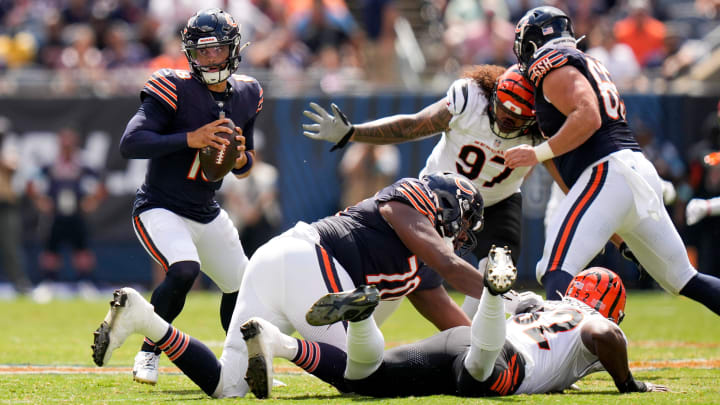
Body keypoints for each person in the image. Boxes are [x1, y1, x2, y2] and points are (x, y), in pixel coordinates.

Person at [92, 171, 489, 398]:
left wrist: (498, 345)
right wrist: (498, 292)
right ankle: (280, 344)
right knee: (358, 377)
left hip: (275, 260)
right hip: (312, 257)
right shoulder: (411, 200)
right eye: (466, 221)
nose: (464, 233)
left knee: (227, 386)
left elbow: (457, 330)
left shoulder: (423, 265)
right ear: (447, 203)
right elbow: (451, 264)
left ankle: (145, 319)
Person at [504, 6, 720, 314]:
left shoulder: (550, 65)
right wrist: (619, 238)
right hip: (634, 172)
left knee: (555, 267)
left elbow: (588, 116)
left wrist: (536, 153)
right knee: (685, 279)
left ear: (532, 43)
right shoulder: (586, 62)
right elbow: (569, 176)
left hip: (607, 171)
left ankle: (553, 350)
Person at [303, 63, 540, 316]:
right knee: (406, 269)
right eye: (503, 111)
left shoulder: (543, 126)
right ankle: (363, 310)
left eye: (516, 120)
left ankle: (470, 342)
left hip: (498, 202)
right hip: (441, 197)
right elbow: (414, 125)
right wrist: (353, 133)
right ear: (493, 95)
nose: (506, 123)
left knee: (497, 275)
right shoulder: (470, 98)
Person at [242, 265, 667, 398]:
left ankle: (279, 341)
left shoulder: (545, 303)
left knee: (363, 382)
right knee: (480, 380)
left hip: (463, 339)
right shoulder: (595, 321)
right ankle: (493, 296)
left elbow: (538, 318)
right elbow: (603, 334)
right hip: (500, 359)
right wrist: (628, 384)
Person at [118, 8, 262, 385]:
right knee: (184, 270)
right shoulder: (172, 85)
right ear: (189, 54)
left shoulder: (248, 92)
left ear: (233, 50)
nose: (210, 58)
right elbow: (131, 143)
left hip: (207, 209)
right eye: (202, 51)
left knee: (243, 286)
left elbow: (246, 165)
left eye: (217, 50)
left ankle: (238, 364)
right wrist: (190, 138)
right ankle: (148, 353)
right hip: (160, 205)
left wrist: (239, 156)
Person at [27, 128, 106, 303]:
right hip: (56, 214)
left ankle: (85, 282)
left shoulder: (83, 164)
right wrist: (40, 201)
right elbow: (31, 181)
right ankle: (48, 282)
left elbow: (101, 183)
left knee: (82, 249)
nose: (67, 148)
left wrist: (92, 201)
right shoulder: (51, 164)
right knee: (51, 250)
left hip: (77, 213)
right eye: (64, 144)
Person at [0, 118, 31, 296]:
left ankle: (20, 284)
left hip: (6, 207)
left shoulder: (9, 151)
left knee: (11, 247)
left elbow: (13, 166)